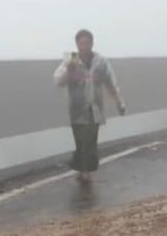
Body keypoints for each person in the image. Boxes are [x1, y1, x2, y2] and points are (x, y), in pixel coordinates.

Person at [53, 29, 127, 182]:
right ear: (77, 44)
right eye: (81, 43)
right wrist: (69, 70)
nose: (84, 46)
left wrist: (119, 102)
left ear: (92, 44)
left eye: (87, 43)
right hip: (76, 109)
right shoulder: (71, 60)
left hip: (94, 109)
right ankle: (81, 168)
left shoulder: (100, 61)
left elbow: (111, 83)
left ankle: (86, 172)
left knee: (89, 140)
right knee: (80, 142)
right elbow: (58, 81)